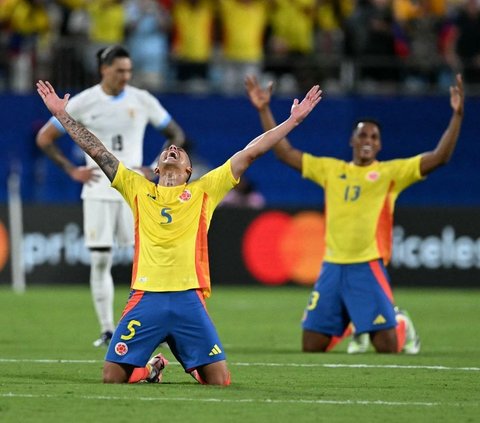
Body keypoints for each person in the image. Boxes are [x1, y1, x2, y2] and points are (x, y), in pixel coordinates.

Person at [36, 79, 322, 384]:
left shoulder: (205, 190)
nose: (173, 149)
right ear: (157, 168)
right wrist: (62, 115)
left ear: (189, 170)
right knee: (112, 377)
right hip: (146, 296)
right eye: (168, 150)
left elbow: (251, 152)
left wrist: (293, 120)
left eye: (180, 151)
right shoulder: (136, 187)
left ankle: (190, 358)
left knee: (220, 382)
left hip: (189, 299)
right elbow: (96, 149)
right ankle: (151, 368)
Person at [245, 73, 464, 354]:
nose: (368, 139)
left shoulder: (391, 174)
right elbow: (285, 153)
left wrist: (456, 116)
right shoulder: (331, 170)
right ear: (352, 140)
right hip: (332, 266)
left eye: (374, 136)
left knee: (386, 348)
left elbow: (439, 157)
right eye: (362, 134)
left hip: (367, 265)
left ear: (380, 145)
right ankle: (353, 322)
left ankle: (400, 323)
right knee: (311, 346)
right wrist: (264, 109)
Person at [36, 45, 186, 348]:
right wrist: (71, 170)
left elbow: (176, 134)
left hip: (136, 191)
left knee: (144, 259)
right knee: (101, 259)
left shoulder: (142, 100)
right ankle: (107, 329)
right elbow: (44, 137)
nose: (125, 76)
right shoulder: (84, 101)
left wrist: (156, 165)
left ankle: (148, 325)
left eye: (129, 71)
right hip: (98, 189)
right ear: (104, 69)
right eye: (120, 71)